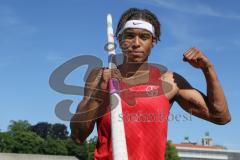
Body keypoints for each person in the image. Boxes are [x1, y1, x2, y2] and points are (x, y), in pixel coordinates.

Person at [70, 8, 231, 160]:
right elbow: (78, 136)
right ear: (119, 40)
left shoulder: (170, 81)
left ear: (153, 42)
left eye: (144, 37)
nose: (136, 43)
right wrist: (100, 92)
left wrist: (208, 69)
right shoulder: (99, 77)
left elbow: (221, 117)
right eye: (129, 36)